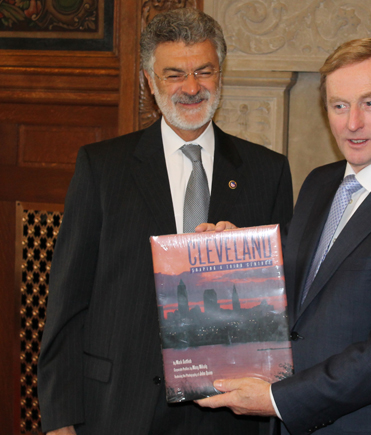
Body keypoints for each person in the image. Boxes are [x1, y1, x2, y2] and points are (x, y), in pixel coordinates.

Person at [196, 38, 371, 434]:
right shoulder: (321, 183)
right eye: (339, 105)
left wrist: (277, 399)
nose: (352, 123)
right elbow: (294, 264)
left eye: (370, 103)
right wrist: (233, 247)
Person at [37, 8, 293, 435]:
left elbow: (285, 301)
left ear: (221, 75)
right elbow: (67, 300)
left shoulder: (268, 172)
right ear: (149, 82)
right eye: (174, 74)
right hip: (118, 407)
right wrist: (60, 418)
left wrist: (250, 268)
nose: (191, 88)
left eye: (204, 71)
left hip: (227, 416)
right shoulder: (102, 169)